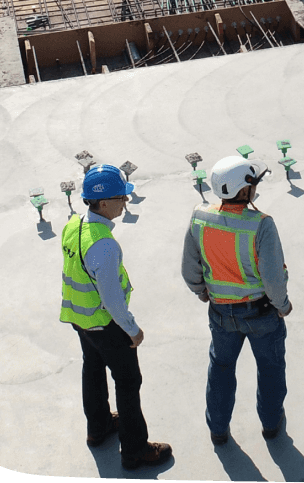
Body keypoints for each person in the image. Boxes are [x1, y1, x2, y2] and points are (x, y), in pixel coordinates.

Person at [59, 164, 172, 470]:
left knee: (93, 368)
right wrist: (132, 329)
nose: (126, 202)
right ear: (104, 203)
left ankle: (98, 428)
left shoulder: (74, 225)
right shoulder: (104, 246)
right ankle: (135, 450)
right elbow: (111, 300)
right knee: (128, 381)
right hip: (105, 324)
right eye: (122, 197)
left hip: (80, 318)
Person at [181, 156, 292, 444]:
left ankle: (218, 429)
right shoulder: (262, 225)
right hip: (261, 313)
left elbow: (189, 269)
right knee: (270, 368)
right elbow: (272, 277)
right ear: (244, 190)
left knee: (221, 368)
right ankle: (271, 424)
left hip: (220, 313)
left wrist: (201, 291)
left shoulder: (199, 217)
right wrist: (283, 306)